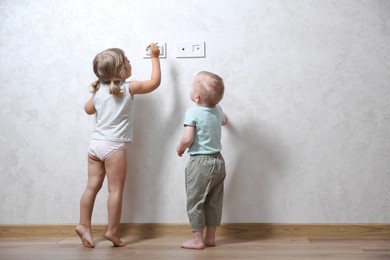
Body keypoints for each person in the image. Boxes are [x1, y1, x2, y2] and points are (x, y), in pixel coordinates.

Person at [76, 43, 161, 248]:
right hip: (113, 147)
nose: (130, 63)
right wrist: (155, 57)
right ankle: (112, 231)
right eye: (128, 61)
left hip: (95, 145)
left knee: (91, 187)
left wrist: (99, 97)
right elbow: (155, 82)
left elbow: (88, 109)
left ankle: (83, 225)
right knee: (115, 191)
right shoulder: (128, 87)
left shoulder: (98, 91)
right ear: (122, 70)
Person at [176, 71, 228, 250]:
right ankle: (210, 237)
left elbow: (187, 138)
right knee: (214, 200)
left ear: (196, 97)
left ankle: (197, 239)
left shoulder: (193, 112)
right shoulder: (218, 110)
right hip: (219, 162)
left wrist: (180, 148)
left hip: (200, 164)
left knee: (195, 201)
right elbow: (225, 121)